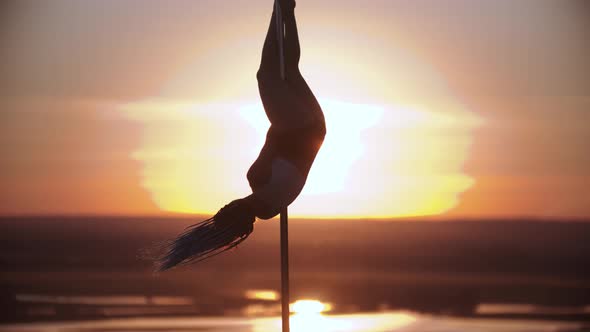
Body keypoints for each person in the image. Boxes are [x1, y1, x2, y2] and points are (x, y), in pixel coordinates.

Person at [157, 0, 326, 271]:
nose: (225, 205)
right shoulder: (258, 180)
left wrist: (283, 118)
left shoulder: (269, 209)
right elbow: (273, 138)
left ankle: (287, 11)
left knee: (290, 70)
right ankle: (279, 11)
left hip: (315, 129)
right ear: (235, 208)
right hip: (296, 128)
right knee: (266, 75)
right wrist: (280, 112)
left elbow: (277, 146)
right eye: (226, 209)